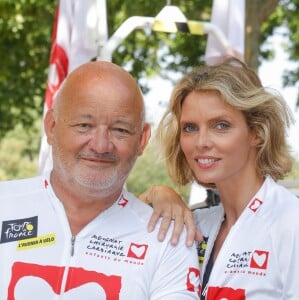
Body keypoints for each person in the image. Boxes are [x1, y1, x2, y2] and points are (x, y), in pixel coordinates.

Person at [0, 61, 200, 299]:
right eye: (84, 126)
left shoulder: (168, 237)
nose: (101, 145)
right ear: (51, 127)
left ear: (143, 139)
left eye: (120, 130)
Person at [142, 57, 299, 299]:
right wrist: (158, 193)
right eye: (190, 128)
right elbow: (119, 230)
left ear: (257, 132)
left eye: (221, 126)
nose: (201, 142)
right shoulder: (195, 224)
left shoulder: (291, 223)